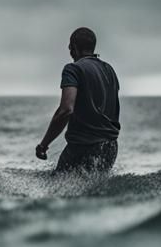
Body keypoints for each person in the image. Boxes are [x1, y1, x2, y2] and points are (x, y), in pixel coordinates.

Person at [35, 26, 120, 173]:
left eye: (70, 46)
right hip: (110, 147)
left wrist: (43, 145)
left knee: (57, 189)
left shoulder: (73, 69)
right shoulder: (110, 70)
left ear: (74, 47)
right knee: (94, 192)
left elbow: (66, 110)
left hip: (83, 147)